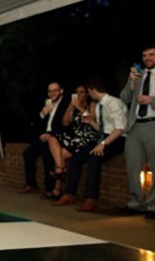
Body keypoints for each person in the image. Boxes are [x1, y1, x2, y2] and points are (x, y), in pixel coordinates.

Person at [53, 78, 127, 211]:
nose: (88, 95)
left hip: (118, 138)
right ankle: (69, 194)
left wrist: (103, 144)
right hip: (104, 136)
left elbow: (120, 129)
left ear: (93, 91)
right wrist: (91, 123)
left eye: (88, 92)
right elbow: (101, 128)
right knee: (77, 157)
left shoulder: (114, 103)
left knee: (94, 157)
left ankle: (91, 199)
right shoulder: (99, 105)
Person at [119, 45, 155, 219]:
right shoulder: (138, 75)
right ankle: (135, 203)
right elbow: (125, 98)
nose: (147, 58)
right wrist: (132, 81)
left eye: (151, 55)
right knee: (132, 166)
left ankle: (153, 206)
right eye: (144, 55)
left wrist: (152, 100)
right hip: (135, 126)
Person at [46, 84, 98, 198]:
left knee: (61, 154)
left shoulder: (92, 104)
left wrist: (79, 107)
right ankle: (60, 170)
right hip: (73, 136)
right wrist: (71, 106)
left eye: (82, 92)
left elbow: (92, 120)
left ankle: (57, 189)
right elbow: (65, 122)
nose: (79, 95)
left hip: (86, 137)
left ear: (87, 94)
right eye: (77, 93)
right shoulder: (73, 105)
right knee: (52, 140)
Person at [18, 82, 67, 195]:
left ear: (61, 91)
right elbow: (38, 123)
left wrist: (51, 134)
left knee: (47, 156)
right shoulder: (47, 103)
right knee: (28, 153)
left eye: (55, 90)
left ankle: (49, 189)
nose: (52, 93)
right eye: (50, 91)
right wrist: (42, 114)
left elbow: (66, 124)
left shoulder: (65, 104)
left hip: (56, 137)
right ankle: (31, 184)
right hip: (45, 135)